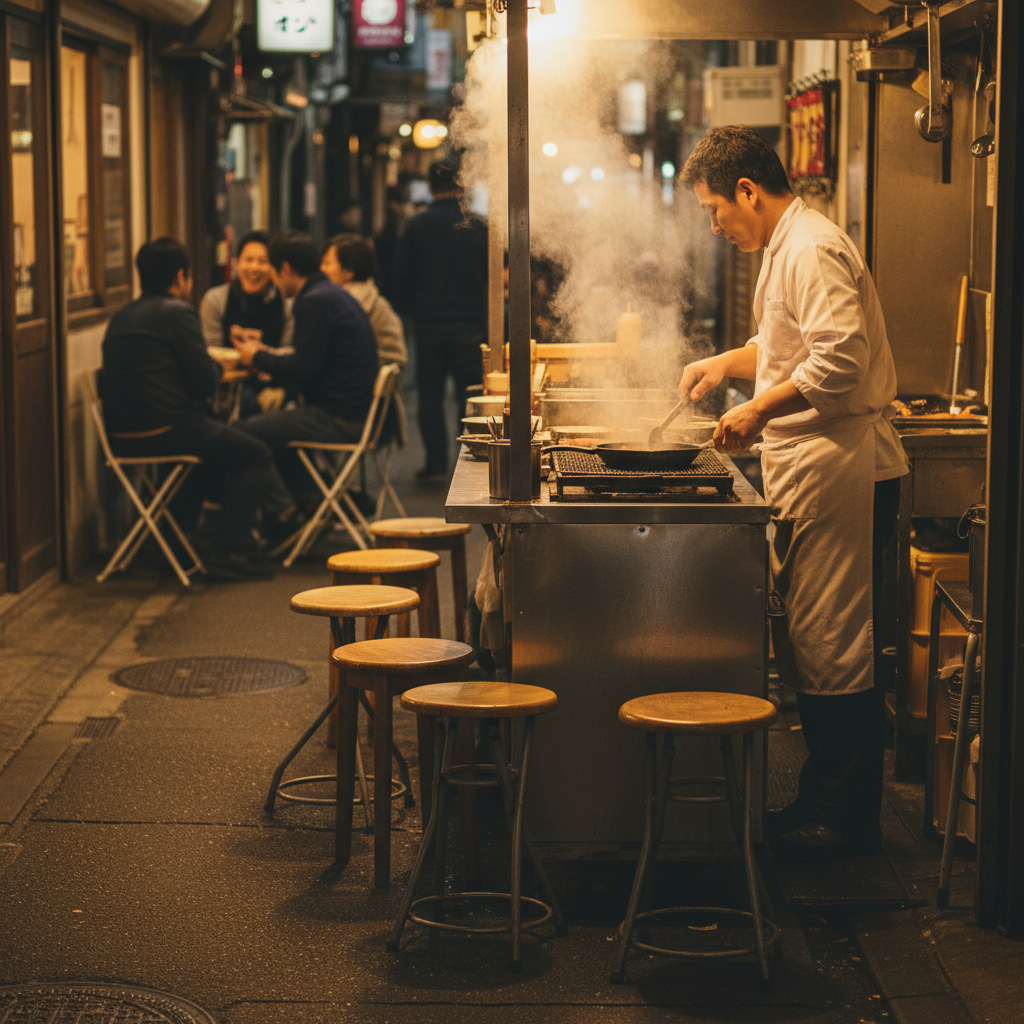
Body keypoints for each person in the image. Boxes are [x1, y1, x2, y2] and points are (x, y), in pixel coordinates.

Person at [677, 126, 909, 860]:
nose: (715, 225)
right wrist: (726, 364)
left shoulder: (810, 247)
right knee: (815, 638)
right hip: (812, 462)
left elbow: (841, 361)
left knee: (838, 643)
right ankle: (822, 799)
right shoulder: (785, 246)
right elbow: (790, 350)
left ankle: (845, 822)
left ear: (748, 190)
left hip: (842, 465)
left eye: (716, 209)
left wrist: (756, 409)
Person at [100, 237, 278, 581]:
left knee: (207, 453)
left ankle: (176, 545)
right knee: (256, 454)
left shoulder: (121, 316)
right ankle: (228, 549)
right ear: (181, 276)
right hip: (169, 430)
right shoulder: (178, 313)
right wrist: (213, 367)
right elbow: (205, 382)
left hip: (121, 437)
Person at [232, 230, 379, 537]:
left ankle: (284, 511)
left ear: (285, 269)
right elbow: (311, 358)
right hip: (357, 412)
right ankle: (310, 501)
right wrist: (265, 352)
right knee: (274, 427)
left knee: (243, 433)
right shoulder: (330, 295)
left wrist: (256, 358)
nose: (272, 279)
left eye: (272, 270)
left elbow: (303, 368)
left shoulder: (312, 302)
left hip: (338, 417)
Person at [393, 159, 488, 481]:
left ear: (431, 187)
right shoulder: (477, 223)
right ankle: (474, 456)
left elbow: (403, 274)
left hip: (429, 323)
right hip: (471, 323)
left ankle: (435, 463)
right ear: (460, 183)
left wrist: (409, 312)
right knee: (471, 394)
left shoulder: (417, 225)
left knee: (430, 396)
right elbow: (492, 274)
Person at [198, 230, 293, 417]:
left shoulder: (287, 305)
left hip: (273, 384)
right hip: (227, 387)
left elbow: (291, 354)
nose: (254, 268)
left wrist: (257, 352)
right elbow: (210, 354)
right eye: (248, 260)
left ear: (274, 267)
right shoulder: (215, 300)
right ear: (237, 263)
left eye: (262, 261)